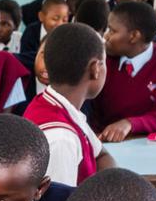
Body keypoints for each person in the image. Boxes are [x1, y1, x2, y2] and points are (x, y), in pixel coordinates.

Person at [24, 23, 115, 186]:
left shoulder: (57, 104)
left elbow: (102, 155)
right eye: (104, 62)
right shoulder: (61, 139)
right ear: (95, 69)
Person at [92, 1, 156, 141]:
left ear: (134, 36)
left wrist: (130, 124)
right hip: (106, 143)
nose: (106, 36)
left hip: (152, 146)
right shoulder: (102, 59)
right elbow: (89, 109)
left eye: (112, 31)